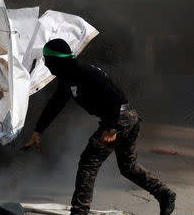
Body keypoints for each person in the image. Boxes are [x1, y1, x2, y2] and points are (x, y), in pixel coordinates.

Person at [25, 38, 176, 215]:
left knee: (89, 163)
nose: (45, 64)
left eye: (46, 59)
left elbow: (113, 97)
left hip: (120, 118)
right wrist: (38, 130)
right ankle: (164, 193)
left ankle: (80, 211)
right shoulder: (68, 77)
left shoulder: (85, 72)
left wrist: (111, 128)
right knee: (128, 166)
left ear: (56, 60)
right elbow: (55, 104)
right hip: (127, 117)